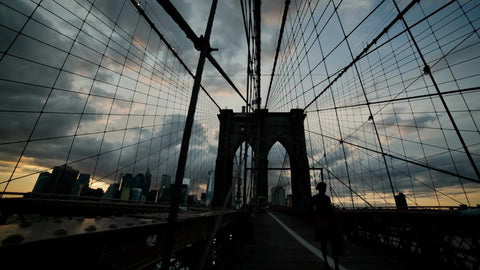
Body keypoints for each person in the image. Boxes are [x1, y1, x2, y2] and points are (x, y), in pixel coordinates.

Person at [312, 182, 339, 270]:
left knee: (323, 244)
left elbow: (310, 209)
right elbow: (330, 210)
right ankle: (336, 266)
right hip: (329, 222)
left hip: (320, 223)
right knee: (333, 245)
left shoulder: (314, 198)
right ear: (324, 189)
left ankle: (326, 263)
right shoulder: (327, 198)